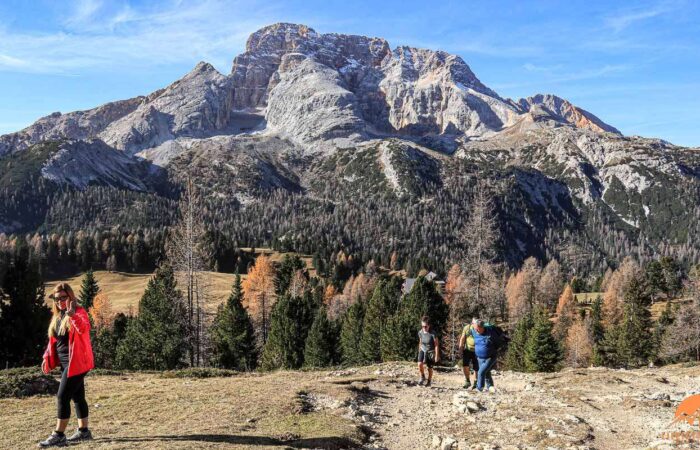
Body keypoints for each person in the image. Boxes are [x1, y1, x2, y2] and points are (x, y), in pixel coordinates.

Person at [38, 283, 95, 447]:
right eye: (57, 298)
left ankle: (59, 435)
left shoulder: (78, 312)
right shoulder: (57, 316)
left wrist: (72, 315)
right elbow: (53, 342)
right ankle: (84, 432)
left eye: (63, 297)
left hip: (76, 362)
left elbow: (84, 328)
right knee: (78, 397)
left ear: (70, 296)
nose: (60, 301)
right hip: (65, 362)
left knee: (62, 396)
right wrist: (46, 357)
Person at [470, 319, 499, 393]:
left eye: (477, 328)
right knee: (486, 372)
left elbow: (497, 343)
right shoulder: (474, 331)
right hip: (479, 358)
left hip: (490, 357)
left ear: (482, 327)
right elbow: (472, 326)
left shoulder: (490, 333)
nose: (476, 330)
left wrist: (491, 350)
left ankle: (479, 388)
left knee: (481, 372)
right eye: (475, 328)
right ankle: (490, 387)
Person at [417, 315, 440, 387]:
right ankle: (422, 376)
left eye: (425, 326)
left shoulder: (433, 334)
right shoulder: (420, 332)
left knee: (430, 368)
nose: (424, 328)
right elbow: (420, 342)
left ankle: (429, 381)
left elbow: (436, 345)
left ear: (429, 325)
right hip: (423, 349)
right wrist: (419, 350)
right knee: (419, 364)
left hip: (430, 352)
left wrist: (436, 355)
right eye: (422, 326)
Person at [458, 318, 479, 390]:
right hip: (467, 349)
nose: (475, 325)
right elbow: (462, 339)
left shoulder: (480, 328)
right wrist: (460, 349)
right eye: (474, 324)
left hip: (477, 350)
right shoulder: (467, 328)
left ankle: (476, 382)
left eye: (477, 323)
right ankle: (467, 381)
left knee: (476, 368)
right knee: (465, 366)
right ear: (472, 323)